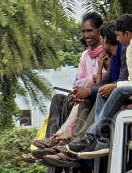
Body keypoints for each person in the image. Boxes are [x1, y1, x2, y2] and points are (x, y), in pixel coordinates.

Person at [65, 14, 132, 157]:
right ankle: (102, 138)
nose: (118, 39)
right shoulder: (117, 53)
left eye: (119, 35)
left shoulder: (126, 49)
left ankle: (90, 135)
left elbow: (125, 78)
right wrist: (90, 90)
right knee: (101, 92)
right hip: (131, 85)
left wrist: (100, 88)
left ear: (105, 39)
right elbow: (105, 81)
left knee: (113, 92)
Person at [34, 12, 105, 149]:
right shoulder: (85, 55)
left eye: (90, 31)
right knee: (58, 99)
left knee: (80, 101)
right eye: (83, 32)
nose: (86, 35)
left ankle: (61, 140)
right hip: (82, 94)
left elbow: (105, 79)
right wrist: (91, 79)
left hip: (94, 95)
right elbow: (77, 82)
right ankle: (51, 139)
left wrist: (89, 85)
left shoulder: (106, 52)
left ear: (99, 30)